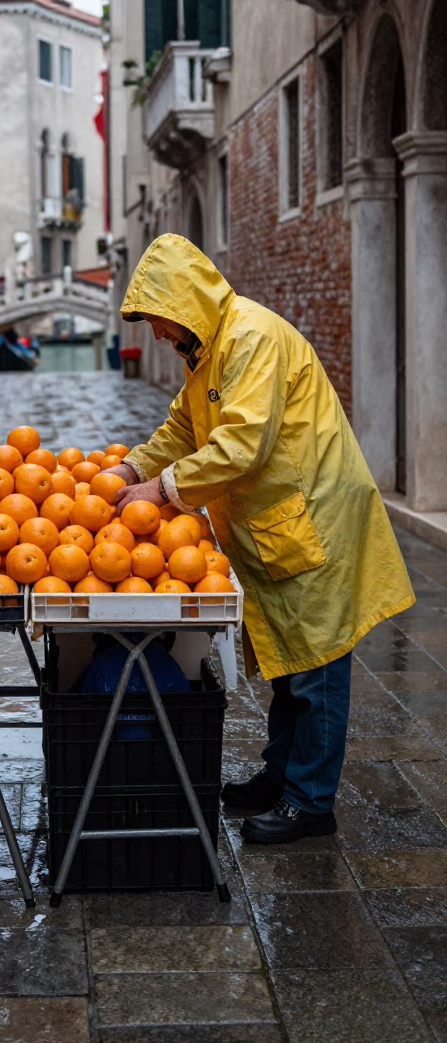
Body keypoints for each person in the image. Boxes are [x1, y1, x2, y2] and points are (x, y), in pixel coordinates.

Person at [110, 234, 414, 844]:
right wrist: (131, 470)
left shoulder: (249, 338)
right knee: (288, 663)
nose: (158, 337)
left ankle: (311, 802)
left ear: (182, 302)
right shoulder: (206, 352)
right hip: (277, 525)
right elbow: (181, 428)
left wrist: (163, 490)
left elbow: (242, 443)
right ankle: (281, 777)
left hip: (316, 517)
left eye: (158, 321)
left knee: (317, 666)